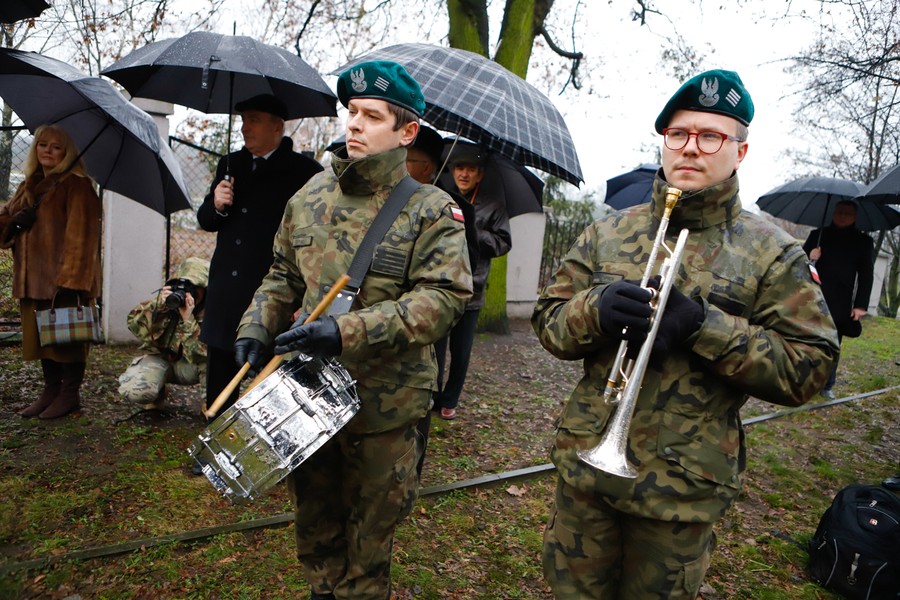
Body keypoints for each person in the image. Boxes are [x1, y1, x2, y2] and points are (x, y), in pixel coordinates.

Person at [532, 69, 839, 598]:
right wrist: (596, 311)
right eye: (679, 134)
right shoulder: (608, 231)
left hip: (681, 489)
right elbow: (550, 323)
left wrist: (705, 326)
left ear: (740, 151)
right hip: (587, 475)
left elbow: (809, 369)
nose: (691, 149)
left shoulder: (772, 252)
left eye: (711, 136)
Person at [233, 61, 472, 599]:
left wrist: (346, 333)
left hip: (384, 405)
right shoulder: (310, 198)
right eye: (352, 112)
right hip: (308, 395)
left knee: (371, 535)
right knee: (315, 519)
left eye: (372, 116)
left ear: (407, 132)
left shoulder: (431, 210)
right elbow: (282, 275)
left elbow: (443, 299)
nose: (356, 125)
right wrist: (255, 326)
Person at [196, 94, 322, 419]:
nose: (243, 128)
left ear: (277, 127)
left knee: (270, 385)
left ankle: (263, 453)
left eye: (252, 119)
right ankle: (214, 438)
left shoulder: (305, 172)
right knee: (221, 377)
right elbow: (206, 221)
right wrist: (217, 205)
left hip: (271, 295)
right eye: (241, 120)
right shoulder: (230, 165)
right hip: (226, 290)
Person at [0, 124, 102, 420]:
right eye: (43, 144)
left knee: (66, 340)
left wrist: (70, 281)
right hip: (32, 280)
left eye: (56, 146)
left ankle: (69, 394)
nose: (48, 151)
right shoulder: (29, 185)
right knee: (42, 339)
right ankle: (50, 390)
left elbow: (82, 237)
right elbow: (6, 223)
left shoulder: (78, 185)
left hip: (63, 282)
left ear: (68, 152)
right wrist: (15, 222)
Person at [433, 143, 511, 420]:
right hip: (440, 286)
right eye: (459, 168)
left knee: (461, 350)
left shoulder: (493, 205)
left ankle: (450, 398)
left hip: (472, 291)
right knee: (435, 347)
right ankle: (432, 394)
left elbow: (503, 243)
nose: (464, 174)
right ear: (452, 171)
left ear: (480, 174)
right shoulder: (440, 196)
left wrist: (473, 231)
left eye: (471, 169)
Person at [802, 199, 874, 399]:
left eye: (847, 213)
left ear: (854, 217)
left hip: (840, 302)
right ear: (833, 213)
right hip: (812, 296)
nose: (842, 216)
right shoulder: (818, 236)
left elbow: (867, 274)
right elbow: (798, 264)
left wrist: (860, 305)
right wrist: (811, 256)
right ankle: (803, 380)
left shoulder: (863, 242)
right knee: (807, 338)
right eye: (839, 212)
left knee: (833, 342)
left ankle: (826, 384)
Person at [118, 257, 210, 409]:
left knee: (212, 363)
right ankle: (158, 391)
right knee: (137, 392)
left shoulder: (212, 312)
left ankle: (210, 402)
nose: (187, 292)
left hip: (191, 367)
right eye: (182, 285)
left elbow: (203, 354)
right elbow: (134, 326)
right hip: (161, 360)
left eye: (194, 286)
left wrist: (188, 318)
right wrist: (158, 306)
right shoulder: (166, 303)